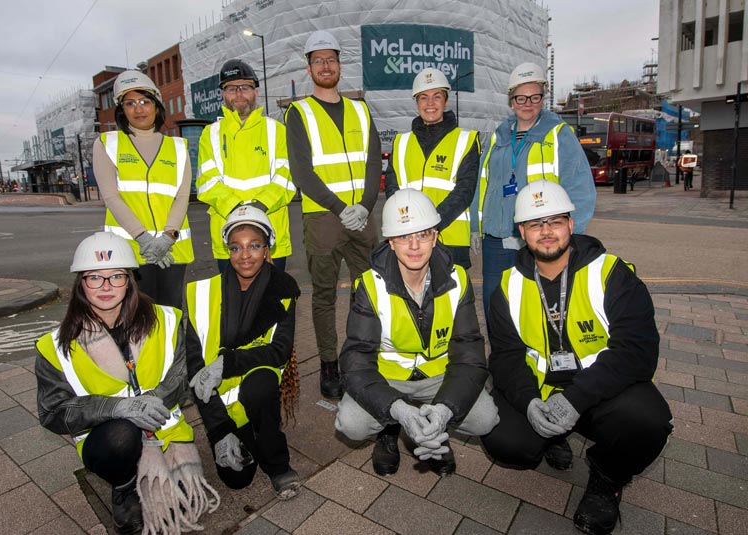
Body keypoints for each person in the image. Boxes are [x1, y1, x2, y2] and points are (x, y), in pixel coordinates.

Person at [480, 181, 672, 535]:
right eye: (536, 224)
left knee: (647, 422)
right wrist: (528, 404)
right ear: (522, 231)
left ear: (571, 223)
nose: (547, 231)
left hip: (602, 389)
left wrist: (576, 400)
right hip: (542, 390)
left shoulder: (612, 274)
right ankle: (552, 435)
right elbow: (505, 358)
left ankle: (607, 475)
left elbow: (638, 351)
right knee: (502, 438)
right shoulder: (508, 287)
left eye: (555, 221)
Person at [36, 232, 218, 535]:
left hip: (165, 428)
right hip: (108, 436)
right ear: (81, 283)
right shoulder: (54, 345)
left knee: (186, 500)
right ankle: (124, 485)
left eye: (116, 276)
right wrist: (118, 407)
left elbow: (183, 371)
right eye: (95, 277)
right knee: (121, 436)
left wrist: (156, 398)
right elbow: (53, 413)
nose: (106, 287)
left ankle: (164, 465)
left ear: (130, 280)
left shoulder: (167, 319)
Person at [335, 190, 499, 477]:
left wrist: (445, 410)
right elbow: (355, 361)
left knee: (486, 419)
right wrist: (398, 410)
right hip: (387, 378)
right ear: (391, 242)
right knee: (352, 423)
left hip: (439, 377)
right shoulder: (369, 285)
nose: (414, 246)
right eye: (403, 237)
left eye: (423, 235)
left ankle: (433, 427)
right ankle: (390, 429)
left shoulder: (458, 279)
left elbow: (470, 354)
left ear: (435, 237)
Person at [285, 30, 382, 398]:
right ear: (309, 67)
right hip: (325, 219)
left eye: (332, 59)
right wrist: (342, 208)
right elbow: (302, 171)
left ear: (340, 64)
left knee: (370, 291)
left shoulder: (359, 108)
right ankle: (329, 363)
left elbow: (374, 160)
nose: (326, 66)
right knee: (324, 294)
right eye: (318, 60)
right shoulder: (300, 112)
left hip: (362, 217)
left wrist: (366, 206)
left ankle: (364, 356)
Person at [186, 206, 302, 500]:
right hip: (220, 403)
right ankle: (240, 432)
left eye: (254, 246)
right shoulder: (202, 293)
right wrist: (218, 430)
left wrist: (227, 364)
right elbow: (195, 366)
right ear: (228, 251)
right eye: (236, 247)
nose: (245, 255)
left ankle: (278, 465)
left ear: (267, 249)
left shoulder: (283, 290)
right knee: (237, 479)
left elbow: (278, 351)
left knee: (261, 385)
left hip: (256, 389)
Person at [471, 62, 596, 318]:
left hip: (541, 237)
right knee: (496, 306)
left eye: (534, 97)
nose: (527, 103)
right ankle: (502, 358)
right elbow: (482, 182)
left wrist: (573, 234)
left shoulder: (559, 135)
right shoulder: (499, 136)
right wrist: (475, 225)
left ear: (542, 97)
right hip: (497, 238)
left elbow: (580, 187)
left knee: (536, 308)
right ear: (511, 100)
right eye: (521, 97)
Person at [93, 70, 194, 309]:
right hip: (128, 251)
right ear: (122, 110)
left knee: (171, 317)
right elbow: (111, 197)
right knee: (136, 320)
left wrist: (168, 237)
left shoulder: (178, 147)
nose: (139, 109)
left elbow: (182, 197)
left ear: (156, 106)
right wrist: (144, 238)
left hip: (172, 249)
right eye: (130, 103)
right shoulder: (108, 144)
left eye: (144, 101)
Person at [197, 59, 295, 273]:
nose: (239, 94)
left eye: (245, 87)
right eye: (231, 88)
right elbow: (207, 182)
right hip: (228, 241)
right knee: (233, 304)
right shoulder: (210, 134)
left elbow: (286, 178)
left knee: (274, 303)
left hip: (271, 236)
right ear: (222, 94)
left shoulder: (277, 130)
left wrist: (255, 211)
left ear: (256, 92)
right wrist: (239, 214)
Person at [385, 68, 480, 270]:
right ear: (416, 102)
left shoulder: (465, 140)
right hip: (410, 243)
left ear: (445, 101)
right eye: (423, 97)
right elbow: (392, 190)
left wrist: (429, 225)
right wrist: (412, 228)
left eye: (437, 96)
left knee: (451, 300)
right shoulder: (401, 142)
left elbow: (464, 191)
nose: (430, 104)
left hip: (450, 239)